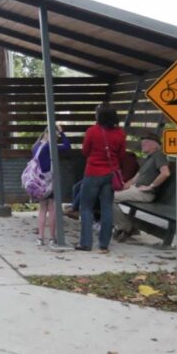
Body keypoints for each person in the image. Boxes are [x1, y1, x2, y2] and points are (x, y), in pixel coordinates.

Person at [76, 105, 125, 254]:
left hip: (92, 173)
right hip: (110, 174)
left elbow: (85, 151)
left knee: (86, 207)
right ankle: (104, 244)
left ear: (99, 117)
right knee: (107, 208)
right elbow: (121, 155)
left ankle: (86, 243)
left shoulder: (92, 131)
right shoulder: (120, 133)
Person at [112, 132, 171, 242]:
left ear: (155, 145)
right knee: (106, 194)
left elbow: (165, 173)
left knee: (109, 198)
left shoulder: (159, 155)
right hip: (136, 189)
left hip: (145, 193)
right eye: (142, 143)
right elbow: (135, 178)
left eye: (146, 143)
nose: (142, 145)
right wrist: (122, 187)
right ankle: (124, 226)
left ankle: (126, 227)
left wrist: (151, 186)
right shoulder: (148, 158)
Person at [33, 124, 71, 246]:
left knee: (42, 210)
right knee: (52, 209)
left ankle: (40, 238)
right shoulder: (51, 146)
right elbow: (67, 146)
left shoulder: (36, 146)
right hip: (50, 181)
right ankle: (52, 238)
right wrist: (62, 133)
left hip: (39, 181)